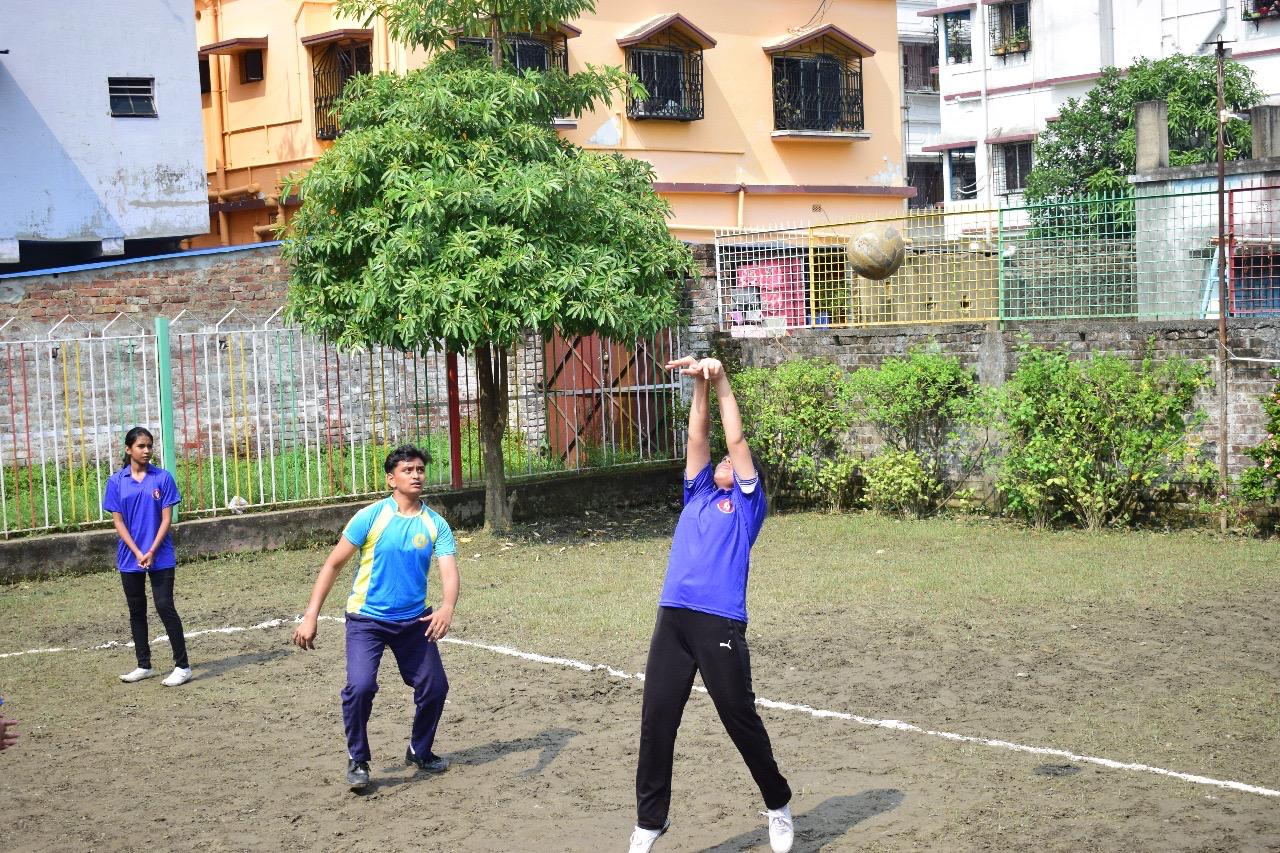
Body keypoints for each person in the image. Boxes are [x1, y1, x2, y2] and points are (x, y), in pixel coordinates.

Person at [630, 356, 793, 853]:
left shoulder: (747, 504)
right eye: (719, 460)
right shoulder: (698, 493)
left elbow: (734, 440)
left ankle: (777, 802)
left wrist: (721, 381)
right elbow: (697, 438)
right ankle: (649, 821)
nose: (723, 459)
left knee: (737, 716)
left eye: (732, 461)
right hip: (673, 616)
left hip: (718, 620)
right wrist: (698, 384)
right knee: (657, 719)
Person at [292, 444, 459, 791]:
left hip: (415, 622)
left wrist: (446, 607)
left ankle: (419, 750)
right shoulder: (371, 516)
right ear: (391, 479)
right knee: (361, 686)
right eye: (408, 470)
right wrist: (311, 615)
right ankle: (358, 759)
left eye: (420, 470)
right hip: (366, 620)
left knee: (435, 686)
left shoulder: (435, 523)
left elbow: (449, 571)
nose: (416, 475)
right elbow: (333, 564)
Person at [103, 426, 191, 687]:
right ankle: (144, 665)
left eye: (150, 446)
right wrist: (138, 552)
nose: (147, 450)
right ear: (128, 449)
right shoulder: (116, 482)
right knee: (136, 610)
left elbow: (167, 519)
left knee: (165, 606)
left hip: (160, 556)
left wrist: (151, 550)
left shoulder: (162, 478)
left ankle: (183, 666)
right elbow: (118, 522)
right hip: (130, 557)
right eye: (141, 446)